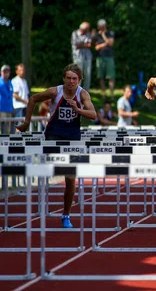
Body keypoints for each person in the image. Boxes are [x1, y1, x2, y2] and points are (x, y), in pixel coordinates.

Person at [16, 64, 97, 228]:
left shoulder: (82, 94)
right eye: (68, 78)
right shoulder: (55, 91)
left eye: (74, 79)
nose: (71, 82)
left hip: (72, 138)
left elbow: (93, 115)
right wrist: (26, 122)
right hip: (54, 136)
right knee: (58, 170)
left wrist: (78, 110)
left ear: (79, 80)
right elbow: (33, 99)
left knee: (70, 180)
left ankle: (66, 215)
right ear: (64, 78)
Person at [93, 19, 116, 100]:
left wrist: (103, 36)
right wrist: (106, 43)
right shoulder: (96, 36)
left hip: (109, 57)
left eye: (101, 26)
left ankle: (112, 95)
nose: (99, 27)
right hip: (100, 58)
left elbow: (111, 44)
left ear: (104, 25)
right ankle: (104, 94)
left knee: (111, 77)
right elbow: (96, 47)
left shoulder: (110, 33)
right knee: (101, 77)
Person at [71, 22, 93, 90]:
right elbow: (77, 45)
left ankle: (86, 91)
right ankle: (76, 90)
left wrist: (82, 44)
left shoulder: (88, 34)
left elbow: (90, 45)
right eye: (87, 29)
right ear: (83, 29)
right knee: (78, 73)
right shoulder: (75, 33)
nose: (88, 30)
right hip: (78, 57)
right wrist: (85, 45)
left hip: (88, 57)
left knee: (87, 74)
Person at [0, 65, 14, 134]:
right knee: (2, 127)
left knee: (8, 128)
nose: (6, 73)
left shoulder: (9, 82)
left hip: (9, 108)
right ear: (1, 72)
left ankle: (7, 144)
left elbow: (11, 94)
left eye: (7, 71)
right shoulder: (0, 82)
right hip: (1, 108)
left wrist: (12, 107)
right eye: (4, 71)